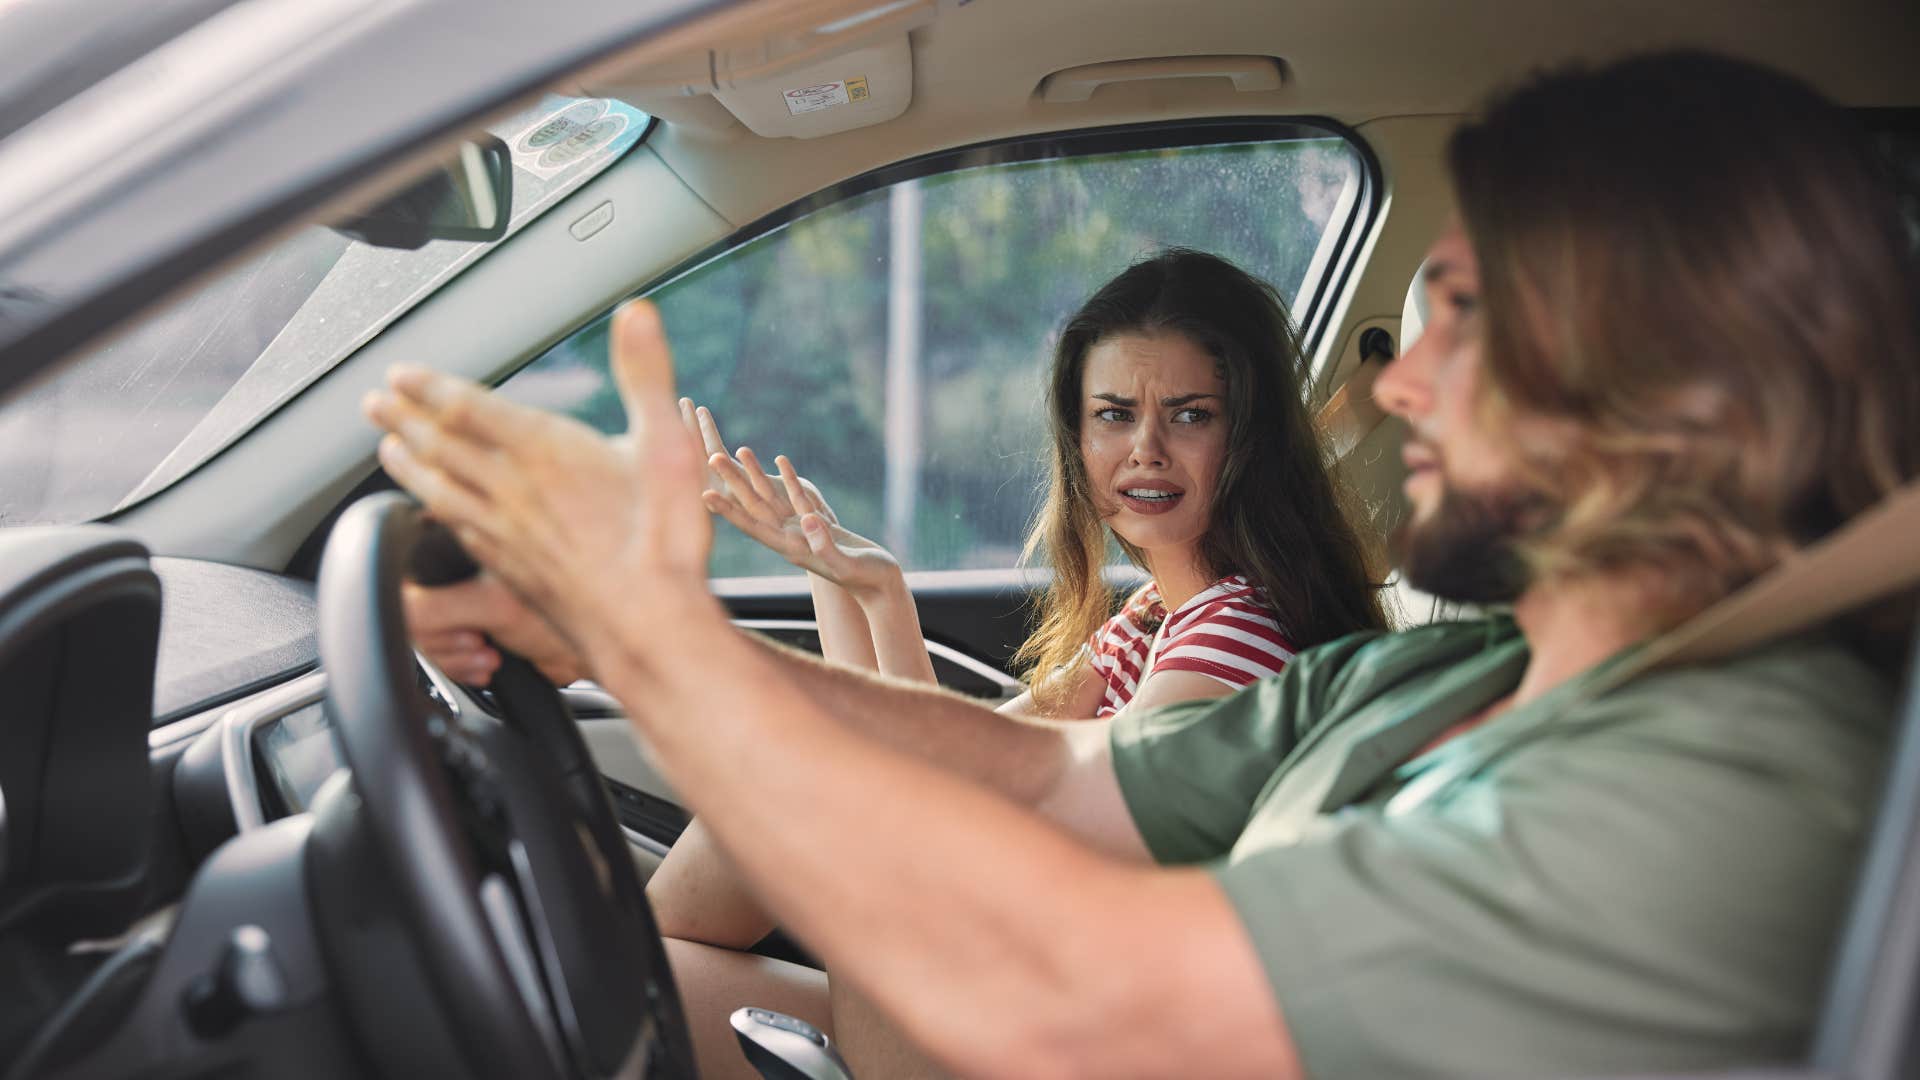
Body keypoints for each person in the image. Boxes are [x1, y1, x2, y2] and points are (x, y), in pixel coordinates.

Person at [367, 50, 1920, 1079]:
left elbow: (1087, 993)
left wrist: (657, 647)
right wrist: (605, 628)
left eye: (1463, 320)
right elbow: (1049, 783)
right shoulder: (1437, 671)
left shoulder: (1742, 778)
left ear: (1662, 376)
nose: (1393, 384)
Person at [676, 248, 1386, 716]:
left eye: (1191, 415)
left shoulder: (1233, 638)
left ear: (1249, 436)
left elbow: (972, 786)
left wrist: (884, 596)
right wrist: (833, 570)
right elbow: (974, 759)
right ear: (1077, 438)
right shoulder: (1154, 616)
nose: (1146, 449)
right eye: (1113, 415)